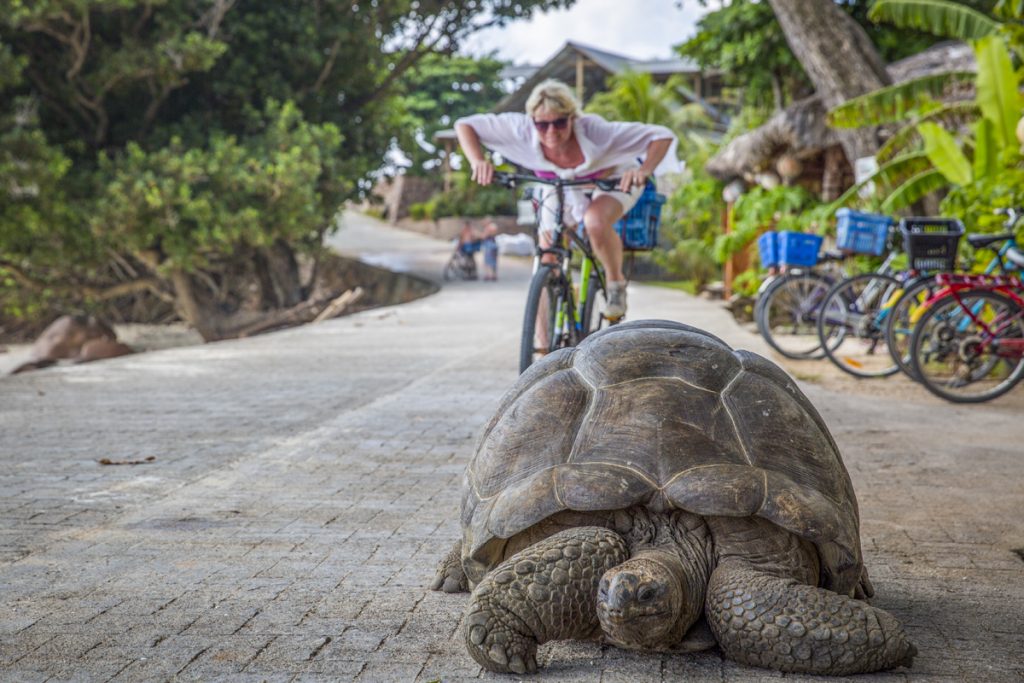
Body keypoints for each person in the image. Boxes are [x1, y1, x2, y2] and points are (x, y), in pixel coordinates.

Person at [454, 79, 680, 318]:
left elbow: (662, 136)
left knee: (594, 222)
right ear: (532, 121)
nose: (551, 132)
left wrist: (644, 171)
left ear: (572, 118)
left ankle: (615, 284)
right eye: (542, 125)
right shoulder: (520, 129)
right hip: (558, 184)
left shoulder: (596, 131)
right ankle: (541, 345)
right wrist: (477, 160)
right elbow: (465, 125)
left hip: (611, 178)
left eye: (559, 122)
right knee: (546, 258)